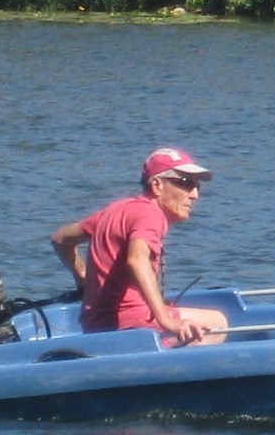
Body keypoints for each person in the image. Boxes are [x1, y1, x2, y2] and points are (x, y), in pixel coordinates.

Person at [51, 148, 230, 346]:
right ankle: (170, 372)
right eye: (186, 183)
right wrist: (166, 321)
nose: (195, 194)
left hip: (94, 324)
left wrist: (83, 279)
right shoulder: (150, 214)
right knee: (218, 323)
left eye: (197, 186)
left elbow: (61, 239)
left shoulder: (117, 209)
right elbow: (137, 260)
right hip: (130, 324)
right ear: (157, 185)